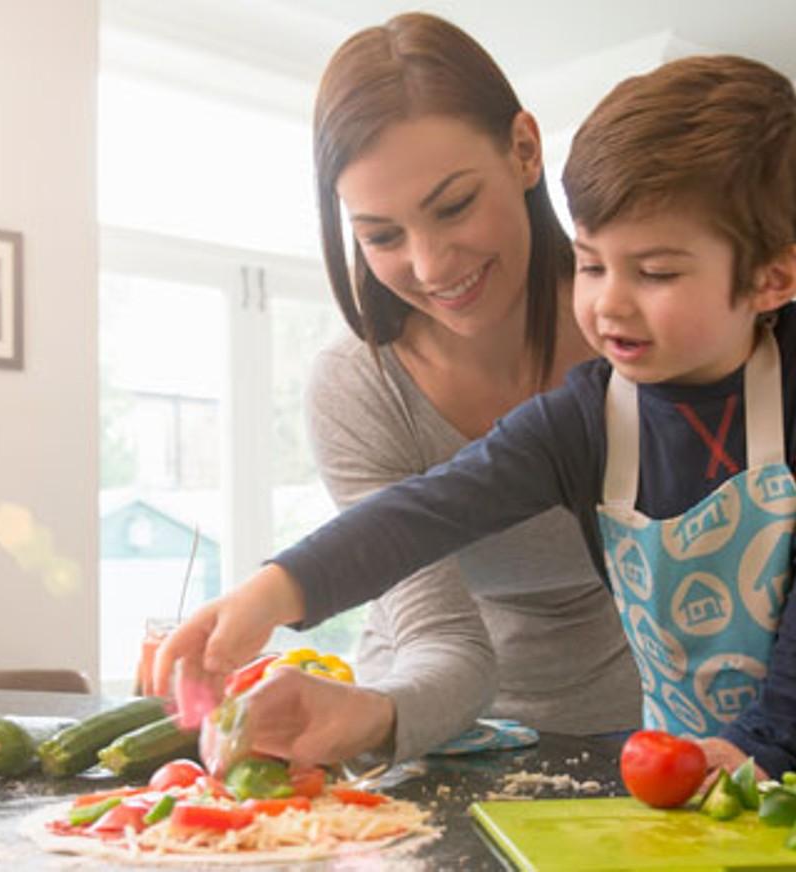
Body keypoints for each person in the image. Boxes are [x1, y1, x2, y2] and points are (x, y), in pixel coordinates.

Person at [158, 52, 796, 779]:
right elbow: (427, 511)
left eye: (655, 273)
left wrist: (761, 747)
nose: (609, 304)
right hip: (684, 772)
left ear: (773, 278)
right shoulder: (585, 417)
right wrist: (271, 591)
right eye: (591, 264)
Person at [294, 11, 640, 764]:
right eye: (382, 235)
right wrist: (371, 717)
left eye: (453, 206)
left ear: (524, 150)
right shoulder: (358, 386)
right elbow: (443, 640)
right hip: (425, 730)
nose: (430, 264)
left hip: (638, 735)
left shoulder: (637, 328)